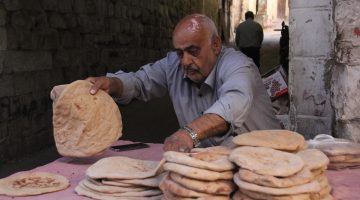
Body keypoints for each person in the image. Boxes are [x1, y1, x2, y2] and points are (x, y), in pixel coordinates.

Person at [87, 14, 280, 153]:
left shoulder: (238, 65)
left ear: (215, 45)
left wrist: (189, 133)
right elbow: (139, 82)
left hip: (267, 164)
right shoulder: (174, 64)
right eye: (180, 53)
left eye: (193, 51)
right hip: (215, 168)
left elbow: (234, 101)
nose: (185, 61)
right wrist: (112, 83)